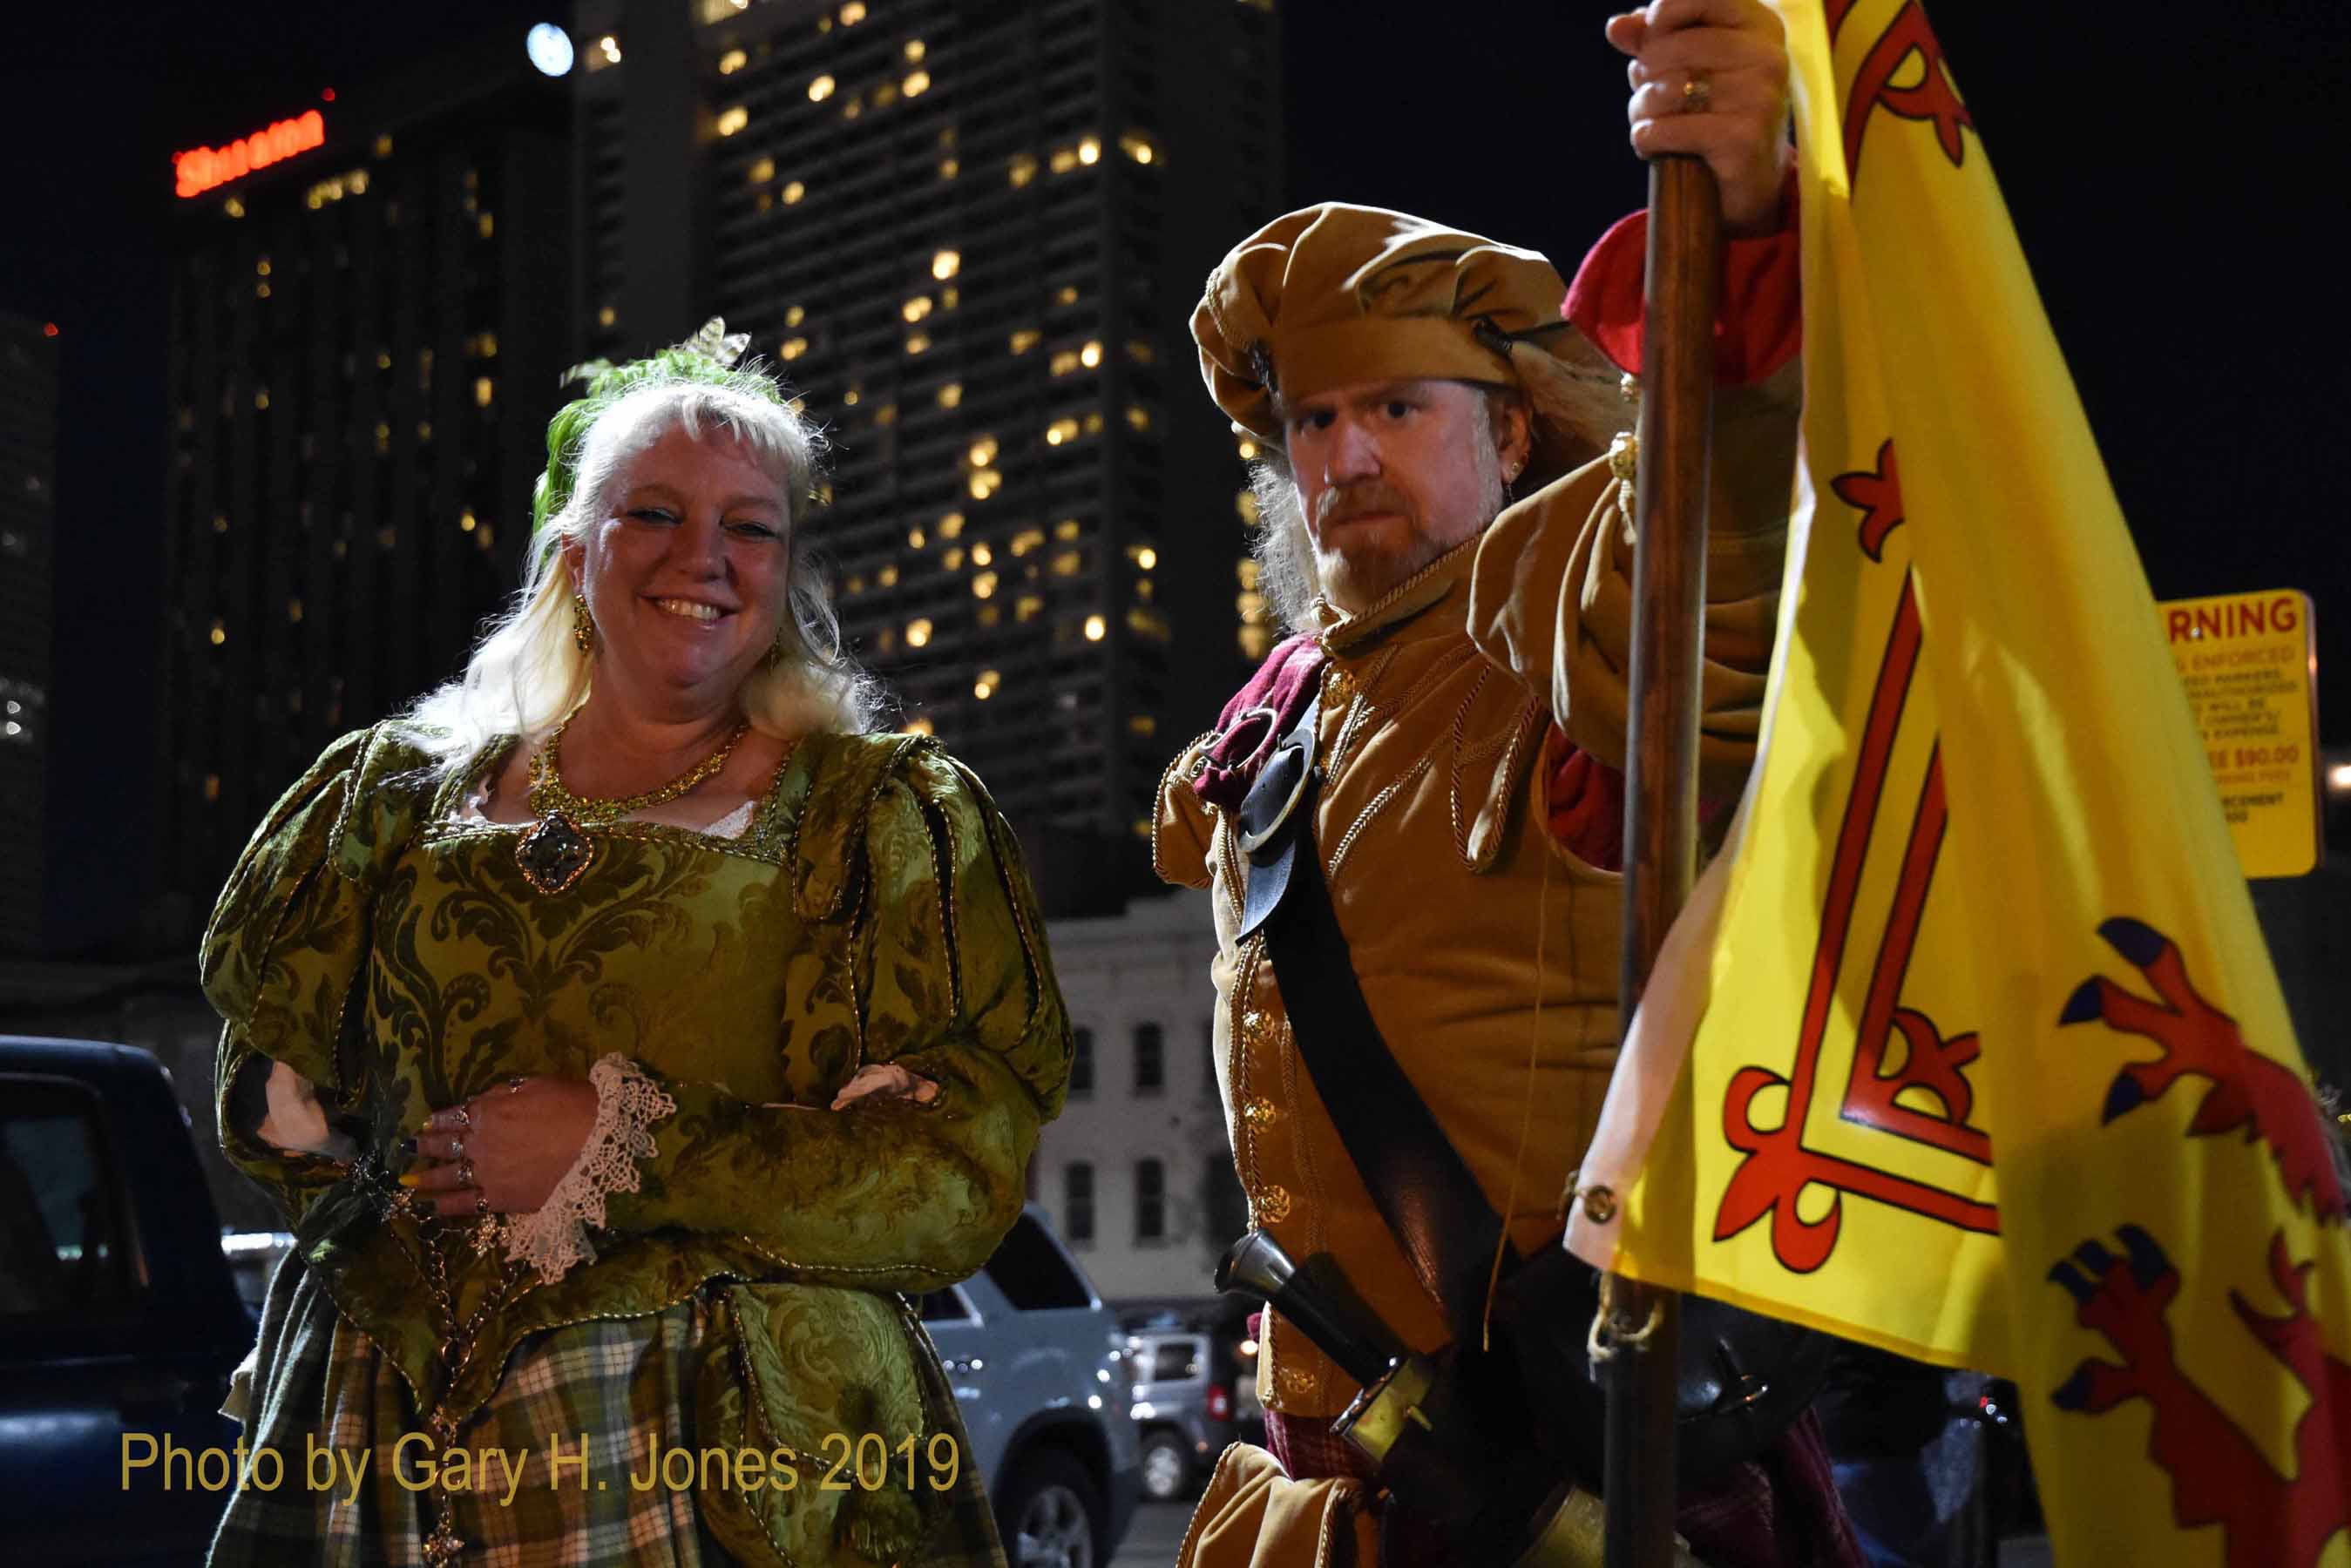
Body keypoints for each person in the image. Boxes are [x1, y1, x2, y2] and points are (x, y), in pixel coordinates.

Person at [1153, 3, 1858, 1563]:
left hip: (1571, 1478)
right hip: (1322, 1484)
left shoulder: (1577, 634)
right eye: (1313, 419)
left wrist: (1745, 210)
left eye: (1395, 410)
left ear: (1513, 427)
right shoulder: (1261, 726)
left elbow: (1729, 546)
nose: (1340, 458)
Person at [201, 323, 1070, 1568]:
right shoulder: (389, 799)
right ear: (572, 553)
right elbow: (274, 1100)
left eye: (751, 527)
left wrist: (620, 1147)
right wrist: (412, 1191)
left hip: (722, 1443)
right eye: (653, 513)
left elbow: (948, 1185)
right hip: (382, 1423)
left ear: (785, 572)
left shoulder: (872, 817)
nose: (704, 557)